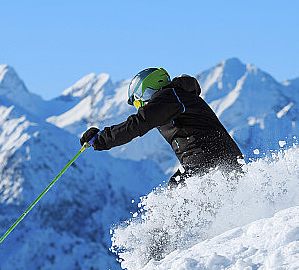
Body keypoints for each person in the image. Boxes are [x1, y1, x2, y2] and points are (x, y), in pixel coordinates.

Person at [80, 68, 244, 185]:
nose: (139, 106)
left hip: (207, 159)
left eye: (137, 100)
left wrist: (101, 139)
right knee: (175, 188)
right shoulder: (177, 97)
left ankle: (171, 233)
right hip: (219, 158)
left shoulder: (169, 97)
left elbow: (138, 124)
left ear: (147, 90)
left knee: (175, 197)